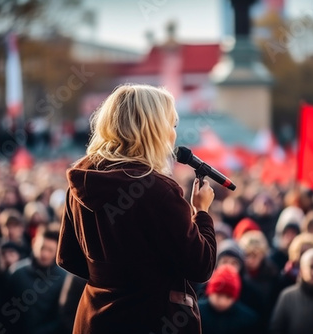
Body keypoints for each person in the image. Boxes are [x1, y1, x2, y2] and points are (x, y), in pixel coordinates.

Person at [56, 84, 216, 334]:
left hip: (94, 318)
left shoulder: (80, 181)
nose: (174, 135)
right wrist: (202, 212)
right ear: (153, 129)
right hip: (150, 318)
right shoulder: (158, 189)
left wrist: (111, 280)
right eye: (171, 126)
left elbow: (68, 257)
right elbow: (200, 265)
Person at [5, 224, 66, 334]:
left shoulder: (65, 278)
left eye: (50, 250)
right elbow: (6, 309)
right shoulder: (16, 273)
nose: (44, 254)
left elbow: (63, 317)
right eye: (42, 248)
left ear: (57, 251)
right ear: (34, 243)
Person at [198, 265, 258, 334]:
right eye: (219, 295)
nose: (222, 302)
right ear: (210, 292)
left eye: (228, 297)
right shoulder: (197, 313)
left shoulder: (248, 320)